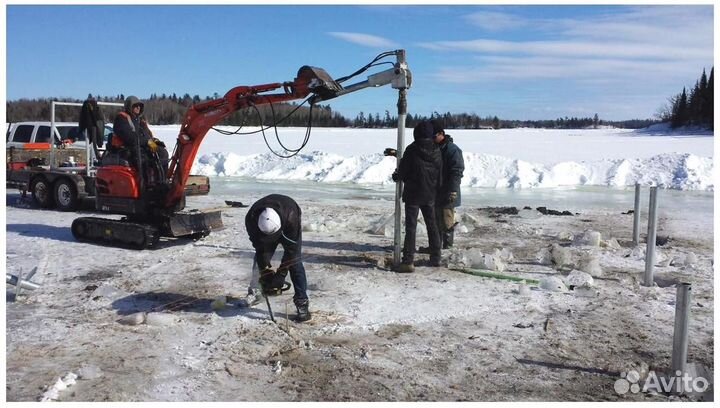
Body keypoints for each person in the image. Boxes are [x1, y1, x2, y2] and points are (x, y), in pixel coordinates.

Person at [242, 194, 311, 322]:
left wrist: (281, 274)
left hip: (288, 222)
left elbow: (291, 252)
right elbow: (259, 249)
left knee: (295, 262)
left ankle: (302, 304)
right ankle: (256, 291)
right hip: (264, 227)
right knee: (259, 260)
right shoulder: (251, 220)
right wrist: (265, 271)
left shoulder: (292, 217)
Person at [392, 120, 443, 273]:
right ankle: (436, 257)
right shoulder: (437, 150)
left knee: (411, 228)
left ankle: (408, 261)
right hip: (430, 194)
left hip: (413, 194)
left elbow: (403, 172)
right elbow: (440, 174)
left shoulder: (411, 150)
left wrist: (397, 176)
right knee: (432, 225)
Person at [110, 96, 169, 184]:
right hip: (126, 149)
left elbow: (147, 136)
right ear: (129, 106)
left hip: (141, 146)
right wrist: (147, 141)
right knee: (143, 158)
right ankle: (145, 185)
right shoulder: (122, 119)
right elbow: (129, 138)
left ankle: (161, 180)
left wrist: (154, 143)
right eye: (135, 105)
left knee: (162, 152)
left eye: (139, 106)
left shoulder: (140, 121)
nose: (138, 107)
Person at [431, 119, 464, 249]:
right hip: (436, 190)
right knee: (434, 220)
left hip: (448, 191)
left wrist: (453, 190)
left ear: (441, 134)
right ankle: (436, 246)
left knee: (446, 220)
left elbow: (456, 172)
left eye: (434, 136)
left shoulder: (452, 150)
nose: (432, 139)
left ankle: (447, 246)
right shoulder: (435, 148)